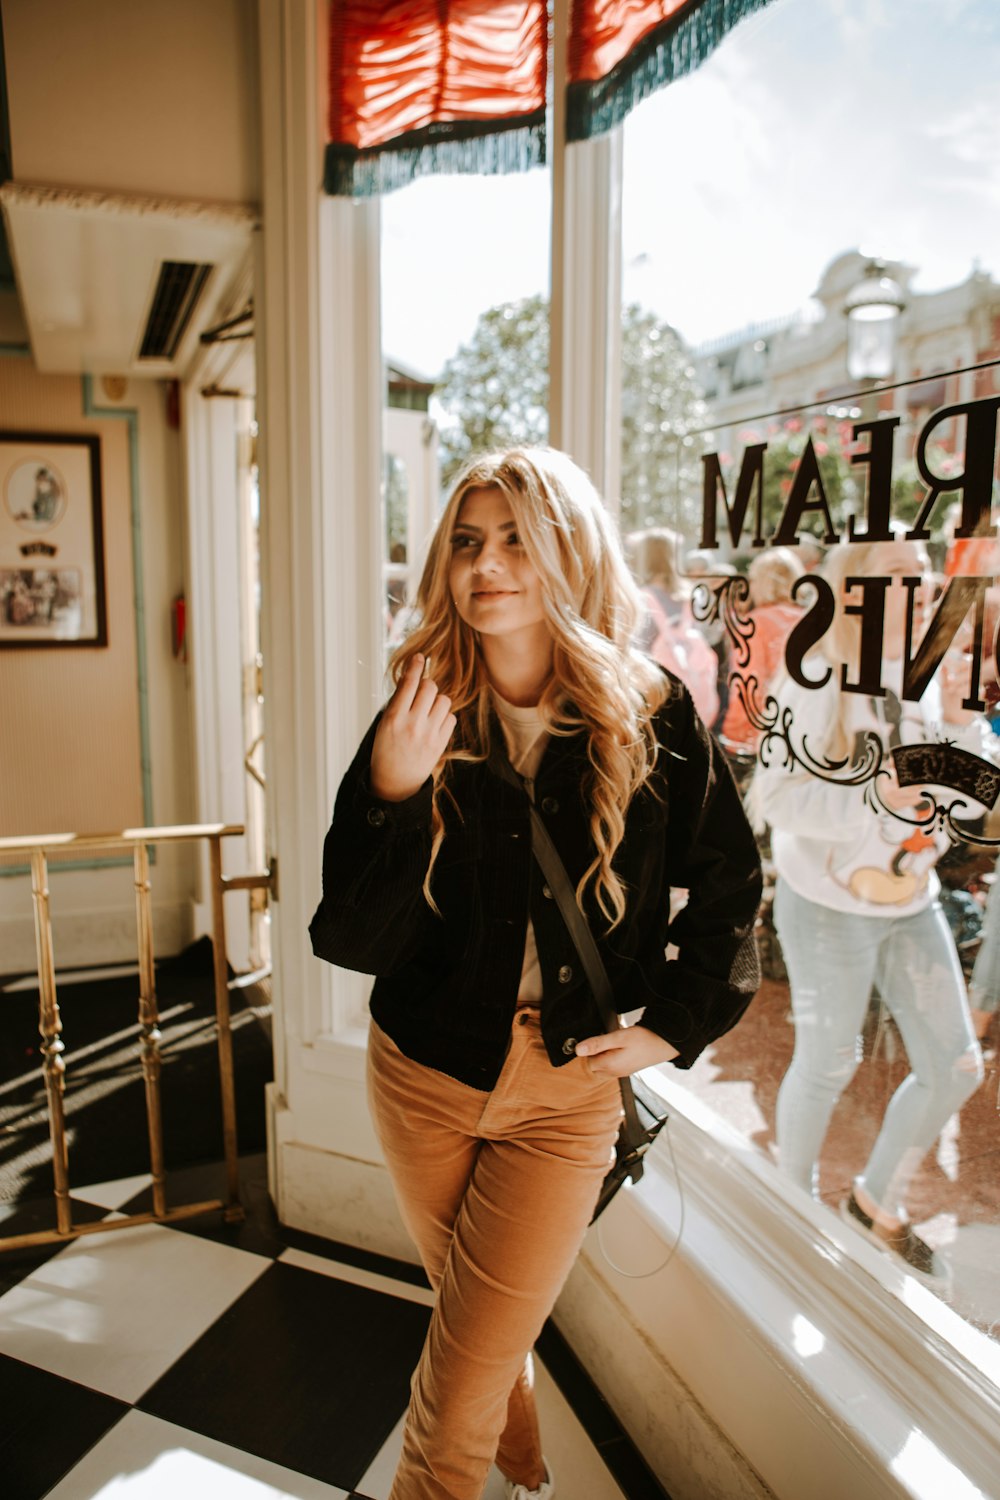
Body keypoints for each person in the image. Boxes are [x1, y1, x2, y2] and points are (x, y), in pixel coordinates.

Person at [310, 448, 762, 1500]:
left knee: (449, 1392)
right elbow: (350, 936)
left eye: (516, 537)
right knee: (482, 1334)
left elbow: (733, 885)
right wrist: (390, 788)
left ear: (569, 550)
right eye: (467, 541)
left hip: (563, 1098)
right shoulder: (422, 707)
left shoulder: (646, 712)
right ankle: (530, 1479)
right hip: (422, 1078)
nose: (487, 564)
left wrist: (673, 1027)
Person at [753, 537, 988, 1282]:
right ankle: (788, 1214)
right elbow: (772, 799)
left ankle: (871, 1201)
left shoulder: (926, 671)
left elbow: (966, 790)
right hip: (824, 904)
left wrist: (961, 722)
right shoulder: (819, 671)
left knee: (955, 1064)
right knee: (827, 1066)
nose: (919, 587)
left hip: (911, 898)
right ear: (854, 588)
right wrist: (868, 798)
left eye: (922, 575)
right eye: (899, 575)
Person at [626, 527, 721, 727]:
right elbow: (710, 636)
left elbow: (635, 649)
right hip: (690, 693)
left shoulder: (641, 598)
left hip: (656, 697)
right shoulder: (692, 596)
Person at [720, 547, 805, 754]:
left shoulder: (755, 624)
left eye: (754, 580)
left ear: (765, 583)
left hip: (763, 737)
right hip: (802, 729)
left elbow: (748, 686)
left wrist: (733, 736)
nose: (751, 586)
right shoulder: (808, 619)